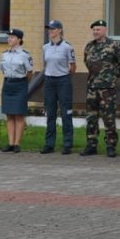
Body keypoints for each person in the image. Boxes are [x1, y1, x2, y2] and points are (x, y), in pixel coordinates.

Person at [81, 19, 120, 158]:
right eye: (94, 30)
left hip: (107, 89)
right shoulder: (89, 46)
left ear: (104, 30)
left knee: (109, 118)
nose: (95, 32)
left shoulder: (114, 45)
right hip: (92, 87)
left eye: (98, 29)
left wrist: (111, 77)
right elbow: (86, 62)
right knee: (91, 118)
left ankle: (111, 146)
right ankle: (91, 145)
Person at [40, 20, 77, 155]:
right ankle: (49, 143)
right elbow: (45, 64)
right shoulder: (45, 47)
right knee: (50, 113)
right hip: (49, 81)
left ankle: (67, 143)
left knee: (66, 112)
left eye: (53, 29)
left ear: (60, 30)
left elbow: (72, 67)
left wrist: (64, 77)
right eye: (49, 29)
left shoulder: (67, 47)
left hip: (63, 80)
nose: (50, 31)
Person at [0, 28, 34, 153]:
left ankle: (17, 143)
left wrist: (23, 83)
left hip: (20, 84)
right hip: (8, 84)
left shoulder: (25, 55)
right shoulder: (4, 54)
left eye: (12, 37)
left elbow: (29, 72)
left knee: (19, 114)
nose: (10, 39)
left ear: (19, 40)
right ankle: (10, 142)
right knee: (9, 114)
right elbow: (3, 70)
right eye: (9, 37)